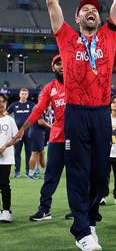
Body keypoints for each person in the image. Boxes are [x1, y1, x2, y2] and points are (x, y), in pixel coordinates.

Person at [45, 0, 116, 251]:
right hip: (76, 113)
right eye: (85, 9)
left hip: (100, 114)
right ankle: (81, 228)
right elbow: (52, 3)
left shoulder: (108, 36)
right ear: (77, 17)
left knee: (98, 174)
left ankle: (90, 218)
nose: (91, 11)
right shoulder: (66, 38)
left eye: (95, 9)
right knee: (78, 172)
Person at [4, 56, 67, 221]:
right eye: (58, 64)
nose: (62, 66)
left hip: (78, 137)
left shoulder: (78, 84)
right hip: (57, 137)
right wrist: (23, 129)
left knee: (78, 176)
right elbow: (38, 109)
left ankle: (80, 210)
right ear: (53, 68)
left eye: (64, 63)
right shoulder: (49, 88)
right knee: (51, 175)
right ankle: (44, 209)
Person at [6, 88, 34, 178]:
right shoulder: (14, 105)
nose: (24, 95)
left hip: (29, 132)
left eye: (25, 94)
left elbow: (37, 114)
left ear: (27, 95)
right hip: (17, 133)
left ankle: (27, 172)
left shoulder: (31, 104)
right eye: (22, 94)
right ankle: (17, 172)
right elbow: (6, 114)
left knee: (28, 152)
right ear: (19, 95)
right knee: (17, 153)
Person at [0, 93, 19, 223]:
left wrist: (6, 145)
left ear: (6, 104)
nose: (1, 105)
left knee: (4, 184)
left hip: (5, 158)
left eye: (3, 102)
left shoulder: (10, 120)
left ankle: (6, 212)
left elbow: (16, 137)